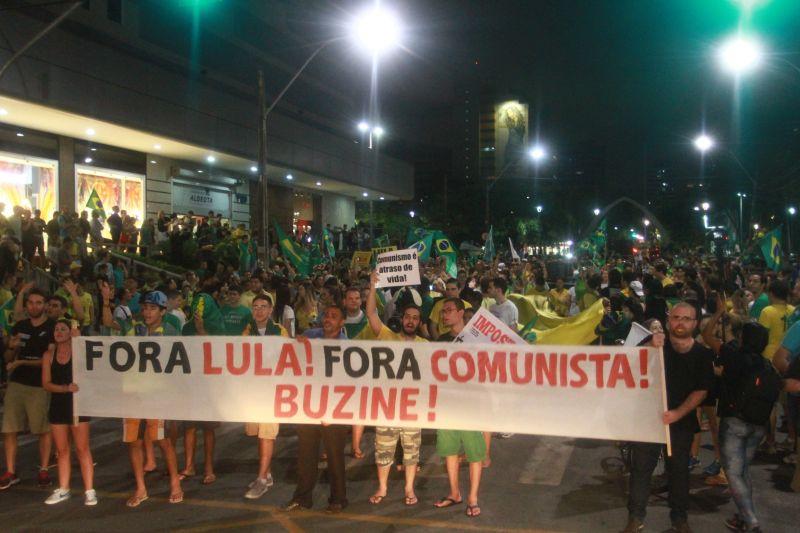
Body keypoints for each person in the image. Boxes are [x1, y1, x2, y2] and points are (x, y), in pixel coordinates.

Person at [622, 302, 714, 533]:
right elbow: (627, 365)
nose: (680, 322)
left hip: (680, 422)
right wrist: (650, 348)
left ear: (694, 323)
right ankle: (635, 519)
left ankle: (679, 519)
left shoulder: (702, 354)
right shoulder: (653, 345)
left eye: (686, 318)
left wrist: (676, 414)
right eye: (676, 317)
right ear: (668, 320)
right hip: (647, 419)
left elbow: (702, 390)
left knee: (679, 472)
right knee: (641, 470)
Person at [101, 285, 183, 506]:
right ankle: (141, 487)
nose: (147, 312)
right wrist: (106, 301)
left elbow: (181, 363)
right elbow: (109, 323)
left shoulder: (170, 331)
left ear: (163, 311)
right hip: (132, 393)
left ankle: (175, 482)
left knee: (163, 441)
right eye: (145, 307)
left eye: (153, 308)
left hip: (157, 395)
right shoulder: (133, 327)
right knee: (133, 442)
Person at [702, 298, 772, 533]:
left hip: (734, 422)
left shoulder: (733, 354)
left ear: (743, 338)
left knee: (733, 474)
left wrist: (718, 312)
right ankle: (743, 516)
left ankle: (751, 522)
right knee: (742, 472)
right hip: (758, 425)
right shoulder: (766, 364)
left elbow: (708, 335)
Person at [282, 305, 349, 513]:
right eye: (326, 315)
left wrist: (333, 411)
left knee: (335, 456)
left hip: (334, 409)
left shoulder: (347, 346)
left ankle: (338, 499)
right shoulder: (311, 335)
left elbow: (350, 381)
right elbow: (292, 352)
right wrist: (298, 342)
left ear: (342, 323)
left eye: (333, 316)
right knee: (305, 456)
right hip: (308, 406)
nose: (328, 318)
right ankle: (302, 498)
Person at [365, 271, 424, 506]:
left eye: (415, 318)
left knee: (412, 452)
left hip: (413, 408)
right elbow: (370, 313)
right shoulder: (387, 336)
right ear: (401, 318)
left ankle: (409, 489)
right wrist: (372, 285)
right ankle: (383, 487)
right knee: (383, 450)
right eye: (407, 316)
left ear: (420, 322)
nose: (410, 321)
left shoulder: (426, 346)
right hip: (387, 406)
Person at [433, 297, 485, 518]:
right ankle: (454, 492)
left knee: (474, 453)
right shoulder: (441, 340)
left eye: (449, 310)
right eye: (443, 311)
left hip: (471, 405)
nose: (445, 315)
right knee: (450, 452)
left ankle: (473, 498)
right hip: (447, 405)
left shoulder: (477, 339)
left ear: (461, 312)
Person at [0, 288, 55, 490]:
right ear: (26, 305)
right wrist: (12, 348)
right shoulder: (20, 326)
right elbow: (8, 359)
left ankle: (44, 469)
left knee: (42, 429)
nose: (34, 306)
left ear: (45, 306)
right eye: (31, 302)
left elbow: (48, 360)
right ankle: (10, 471)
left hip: (39, 385)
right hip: (17, 383)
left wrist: (21, 362)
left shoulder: (52, 327)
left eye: (39, 302)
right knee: (9, 429)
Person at [41, 319, 96, 506]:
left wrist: (79, 341)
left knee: (82, 448)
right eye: (56, 329)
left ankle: (89, 490)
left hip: (79, 405)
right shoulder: (48, 355)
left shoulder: (79, 351)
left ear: (70, 332)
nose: (58, 332)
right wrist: (65, 389)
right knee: (62, 450)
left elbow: (91, 365)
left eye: (63, 329)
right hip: (59, 404)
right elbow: (46, 384)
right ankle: (64, 489)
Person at [242, 293, 288, 499]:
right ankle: (267, 473)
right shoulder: (246, 332)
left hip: (272, 392)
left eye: (263, 306)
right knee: (258, 434)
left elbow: (288, 359)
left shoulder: (280, 331)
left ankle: (261, 479)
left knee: (267, 435)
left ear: (271, 310)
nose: (259, 310)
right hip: (253, 392)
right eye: (255, 307)